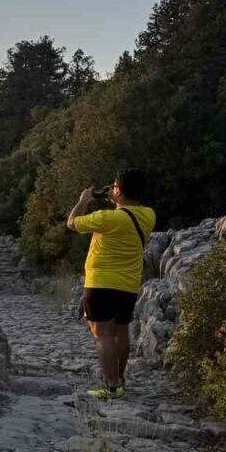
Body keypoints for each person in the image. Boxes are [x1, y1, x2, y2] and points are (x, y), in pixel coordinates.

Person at [65, 169, 156, 400]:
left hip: (101, 283)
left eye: (114, 187)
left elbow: (72, 223)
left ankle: (111, 387)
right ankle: (120, 379)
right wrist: (117, 198)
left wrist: (83, 200)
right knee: (121, 331)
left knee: (103, 334)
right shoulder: (148, 215)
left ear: (120, 190)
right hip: (128, 285)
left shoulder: (107, 218)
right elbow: (127, 214)